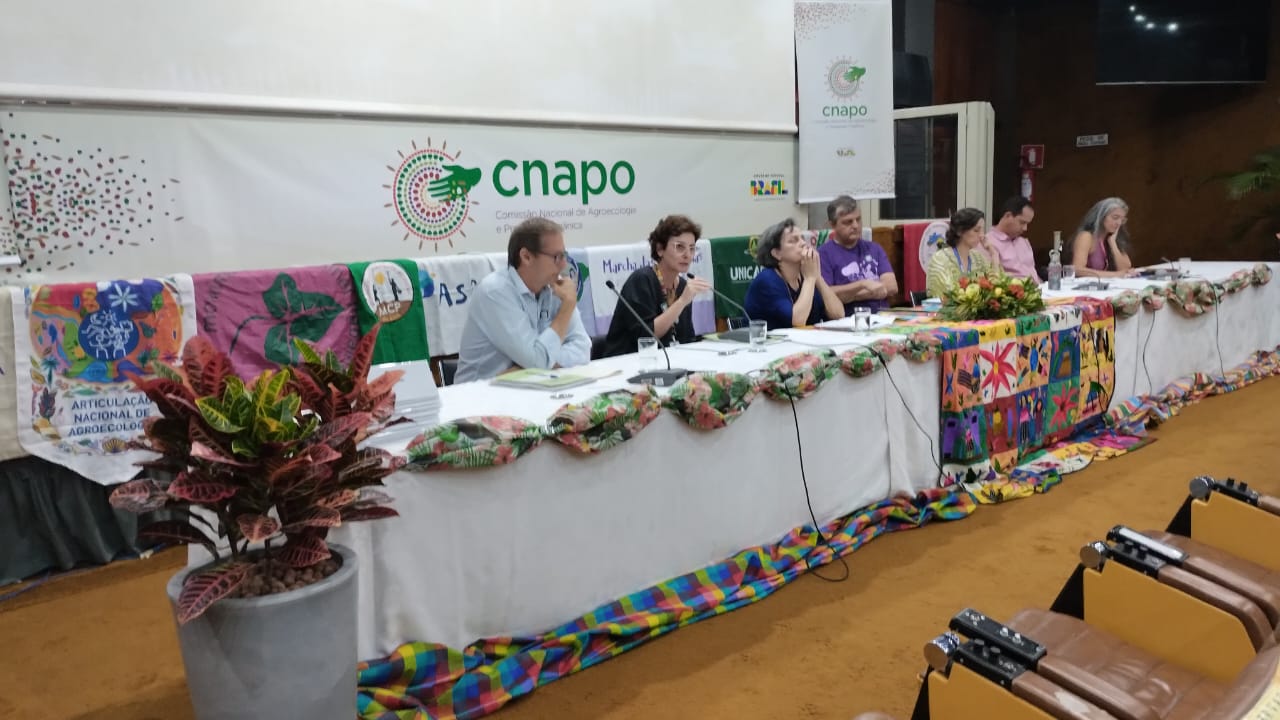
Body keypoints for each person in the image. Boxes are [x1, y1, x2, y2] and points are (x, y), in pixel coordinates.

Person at [455, 217, 592, 382]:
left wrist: (526, 368)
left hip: (530, 386)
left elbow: (583, 349)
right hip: (479, 393)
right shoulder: (495, 292)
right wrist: (567, 307)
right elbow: (538, 362)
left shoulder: (556, 287)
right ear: (526, 257)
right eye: (557, 257)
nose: (563, 265)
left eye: (564, 256)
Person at [600, 215, 712, 357]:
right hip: (627, 361)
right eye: (679, 247)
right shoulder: (642, 280)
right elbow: (646, 337)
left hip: (669, 360)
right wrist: (682, 301)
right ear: (660, 249)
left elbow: (687, 338)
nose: (687, 255)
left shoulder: (683, 286)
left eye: (692, 248)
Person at [743, 218, 844, 329]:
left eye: (802, 238)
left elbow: (838, 315)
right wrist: (810, 279)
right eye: (793, 241)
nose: (803, 243)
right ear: (777, 253)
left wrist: (818, 277)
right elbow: (797, 321)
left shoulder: (806, 274)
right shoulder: (767, 281)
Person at [817, 196, 898, 316]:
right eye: (848, 222)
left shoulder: (874, 248)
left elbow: (891, 287)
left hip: (883, 317)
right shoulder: (823, 254)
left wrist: (851, 295)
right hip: (847, 320)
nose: (855, 225)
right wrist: (864, 285)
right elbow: (827, 294)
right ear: (832, 225)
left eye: (858, 219)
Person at [925, 208, 1000, 299]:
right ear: (959, 231)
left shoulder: (978, 258)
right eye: (976, 230)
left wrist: (994, 254)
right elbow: (948, 296)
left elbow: (996, 287)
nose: (981, 235)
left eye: (982, 230)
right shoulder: (940, 259)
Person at [1071, 197, 1136, 278]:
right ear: (1101, 217)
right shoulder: (1086, 236)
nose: (1119, 223)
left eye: (1122, 220)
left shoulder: (1114, 237)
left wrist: (1112, 243)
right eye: (1115, 218)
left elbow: (1125, 269)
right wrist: (1115, 274)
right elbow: (1077, 269)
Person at [986, 196, 1041, 283]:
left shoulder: (1023, 241)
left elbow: (1032, 272)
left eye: (1027, 224)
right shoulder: (988, 242)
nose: (1025, 228)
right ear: (1008, 216)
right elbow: (991, 279)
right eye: (1022, 222)